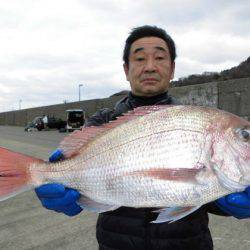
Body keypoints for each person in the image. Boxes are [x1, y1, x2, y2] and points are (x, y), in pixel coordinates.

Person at [35, 25, 250, 250]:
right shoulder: (103, 122)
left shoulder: (195, 118)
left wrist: (226, 202)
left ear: (172, 68)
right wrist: (53, 176)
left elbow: (200, 192)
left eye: (159, 57)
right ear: (126, 69)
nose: (149, 67)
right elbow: (75, 174)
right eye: (139, 59)